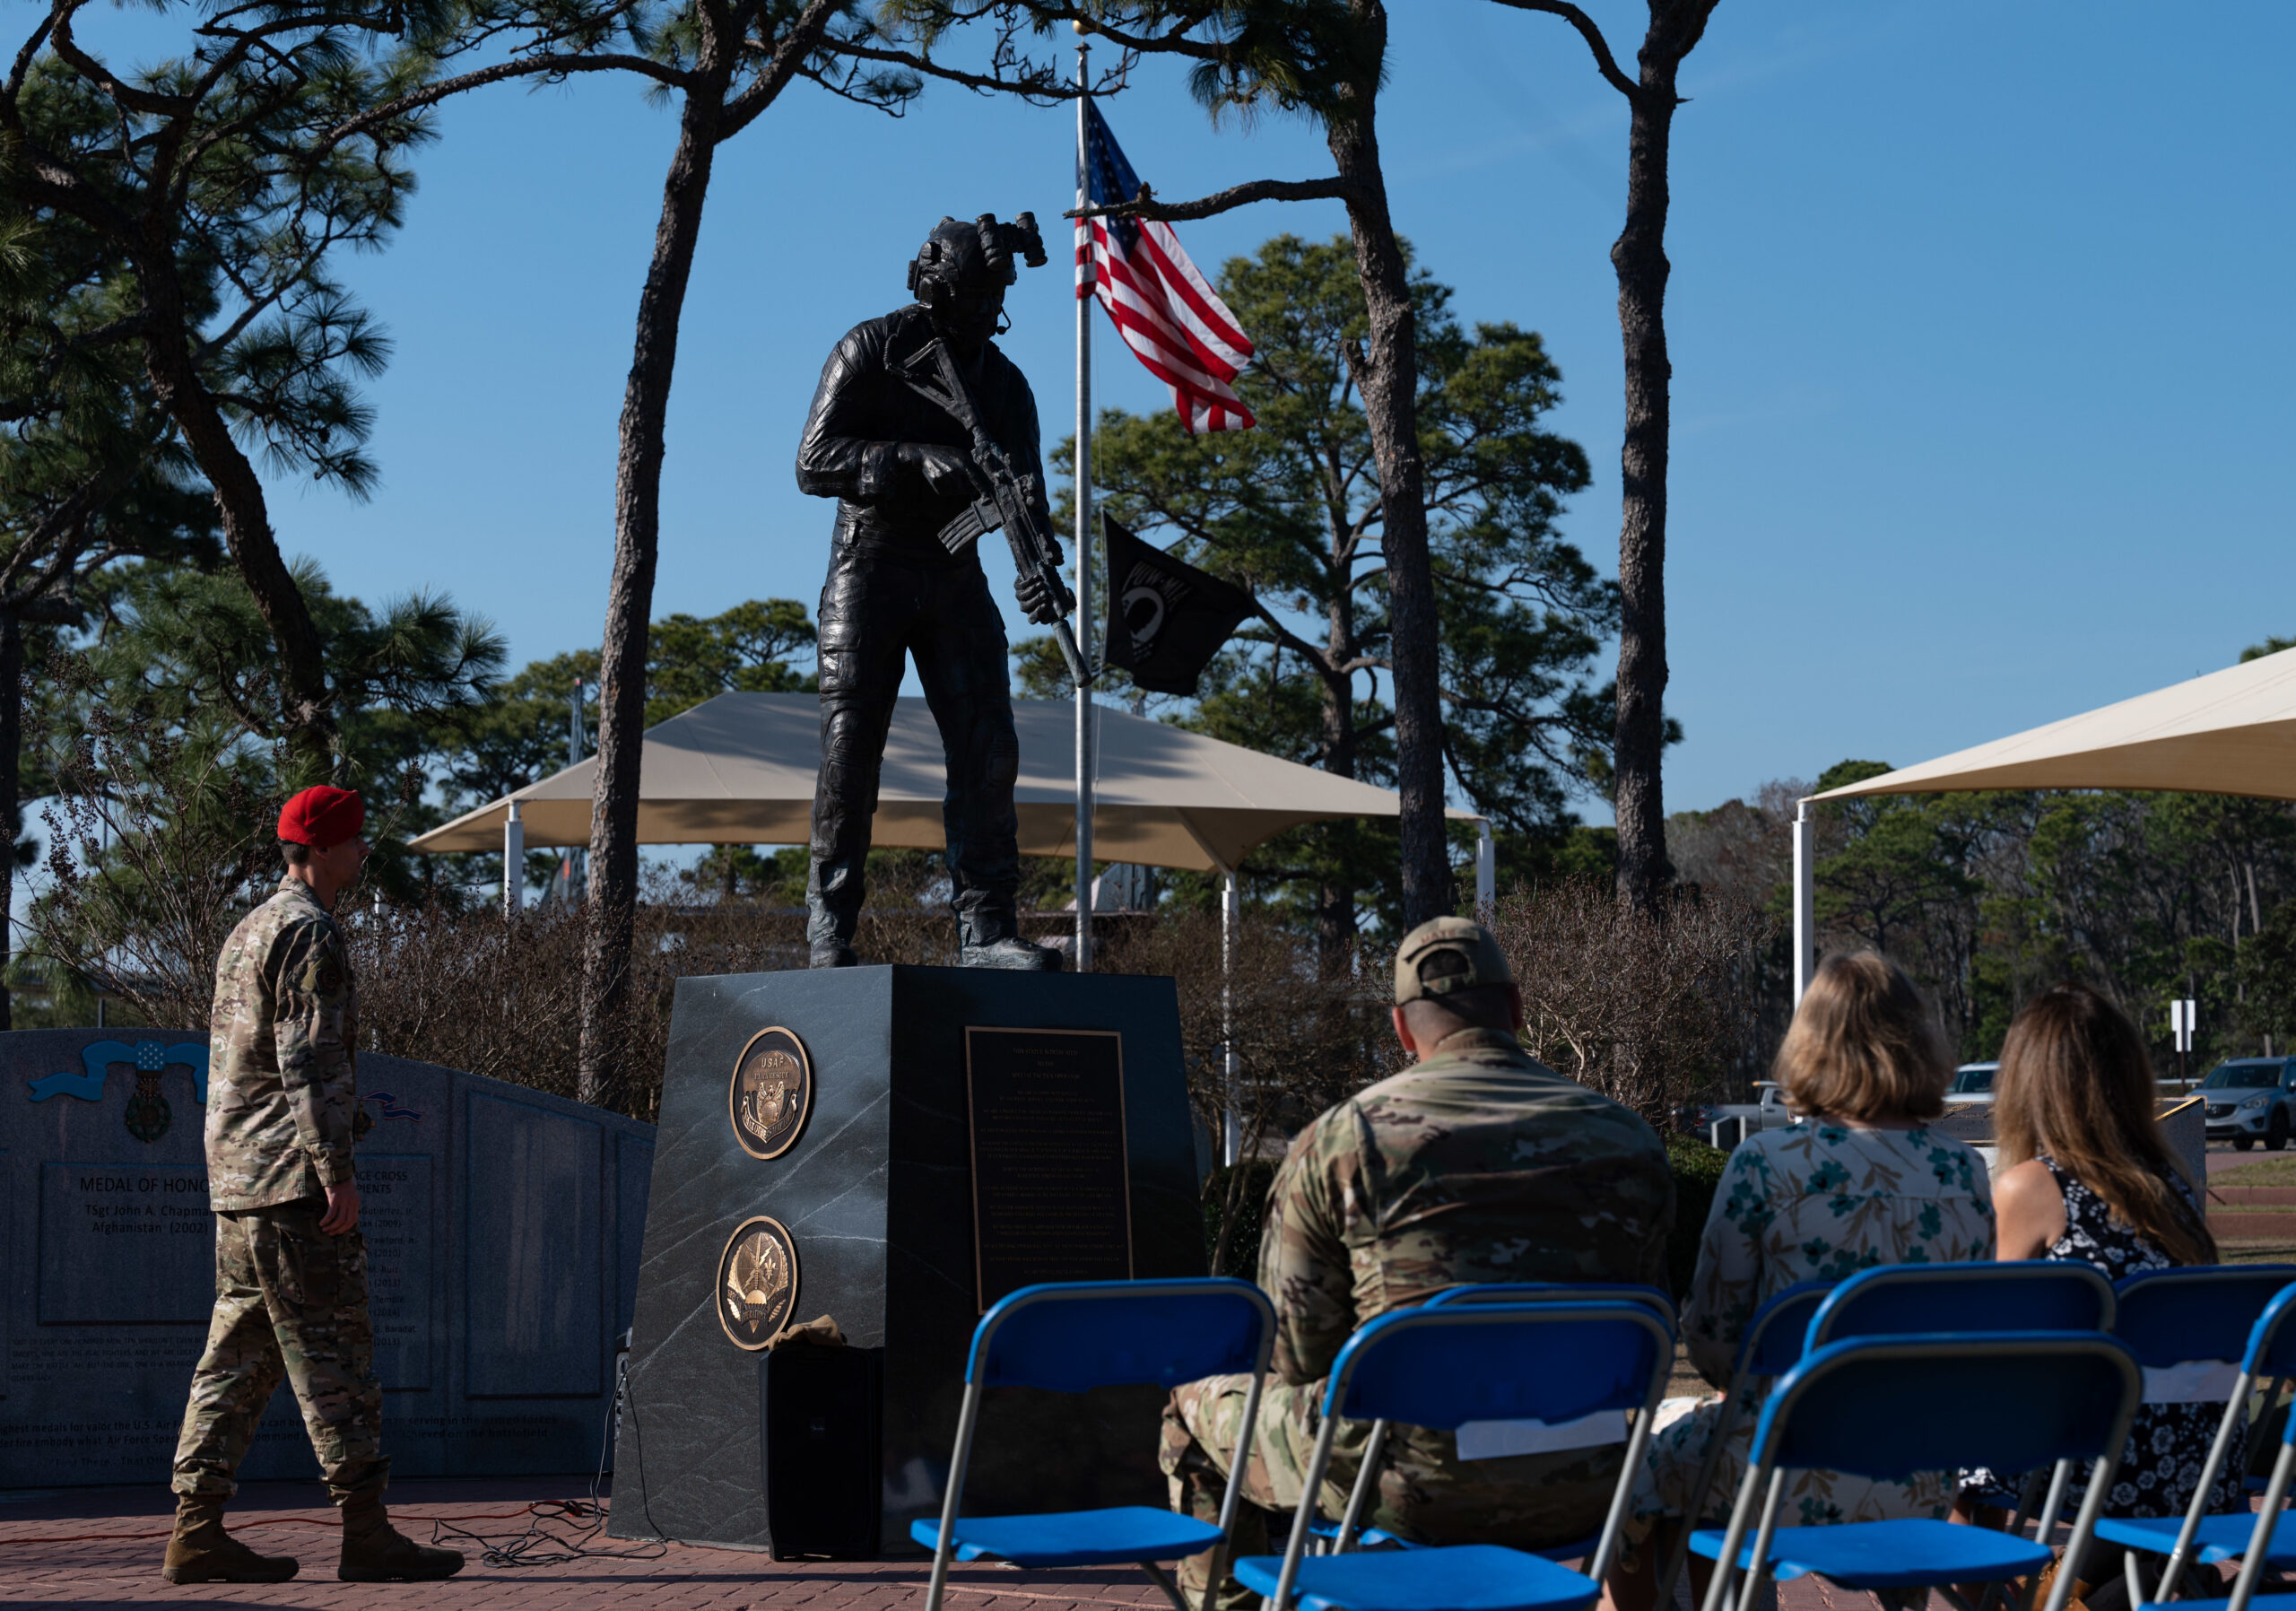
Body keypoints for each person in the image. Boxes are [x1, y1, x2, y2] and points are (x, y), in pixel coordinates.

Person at [1161, 917, 1675, 1609]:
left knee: (1195, 1402)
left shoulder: (1342, 1141)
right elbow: (1648, 1330)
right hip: (1585, 1482)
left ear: (1401, 1029)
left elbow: (1295, 1357)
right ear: (1518, 1010)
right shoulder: (1630, 1140)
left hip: (1404, 1489)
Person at [1602, 950, 1995, 1611]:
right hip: (1920, 1472)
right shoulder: (1964, 1173)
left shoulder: (1768, 1164)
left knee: (1645, 1478)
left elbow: (1715, 1347)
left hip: (1778, 1466)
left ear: (1810, 1045)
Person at [163, 786, 463, 1585]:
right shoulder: (309, 932)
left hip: (237, 1182)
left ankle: (195, 1531)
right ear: (322, 849)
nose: (364, 851)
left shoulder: (250, 927)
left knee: (235, 1358)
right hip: (291, 1183)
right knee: (337, 1358)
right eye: (356, 840)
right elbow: (311, 1065)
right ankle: (367, 1534)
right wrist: (336, 1175)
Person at [794, 212, 1065, 971]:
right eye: (971, 299)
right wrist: (910, 459)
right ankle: (830, 930)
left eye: (994, 300)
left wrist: (1039, 567)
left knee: (989, 748)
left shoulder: (1006, 386)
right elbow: (813, 460)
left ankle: (985, 927)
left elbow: (1027, 498)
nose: (984, 315)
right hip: (869, 567)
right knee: (850, 753)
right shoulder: (872, 349)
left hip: (954, 576)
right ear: (933, 286)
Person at [1958, 984, 2233, 1546]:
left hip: (2099, 1459)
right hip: (2205, 1462)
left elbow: (1987, 1343)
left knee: (1949, 1444)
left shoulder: (2032, 1187)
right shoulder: (2172, 1186)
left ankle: (1995, 1593)